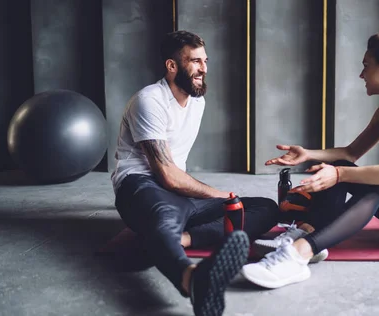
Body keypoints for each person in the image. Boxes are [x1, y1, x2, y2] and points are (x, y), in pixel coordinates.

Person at [241, 31, 379, 289]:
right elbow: (350, 154)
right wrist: (309, 154)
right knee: (340, 166)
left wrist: (340, 176)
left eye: (365, 66)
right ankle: (309, 233)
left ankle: (298, 254)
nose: (361, 75)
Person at [110, 30, 280, 315]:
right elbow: (166, 175)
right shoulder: (149, 100)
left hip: (180, 194)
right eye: (195, 61)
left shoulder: (197, 101)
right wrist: (223, 196)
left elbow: (177, 178)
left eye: (205, 60)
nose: (204, 68)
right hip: (141, 185)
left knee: (266, 208)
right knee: (165, 219)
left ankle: (183, 239)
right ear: (172, 66)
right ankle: (191, 279)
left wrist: (226, 201)